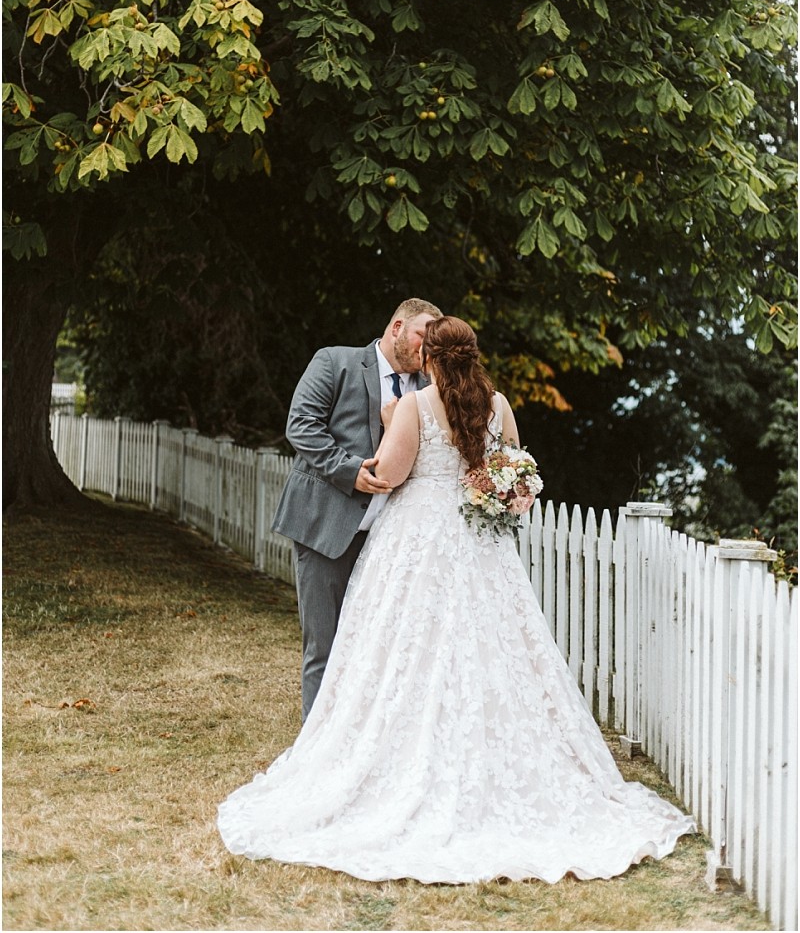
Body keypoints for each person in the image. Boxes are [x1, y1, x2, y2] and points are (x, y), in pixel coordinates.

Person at [219, 316, 695, 884]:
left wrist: (394, 422)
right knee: (486, 651)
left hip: (418, 546)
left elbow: (392, 476)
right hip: (480, 550)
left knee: (399, 650)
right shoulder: (498, 405)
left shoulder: (417, 406)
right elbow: (511, 466)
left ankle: (378, 761)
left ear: (430, 358)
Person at [271, 297, 442, 720]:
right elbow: (301, 426)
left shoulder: (427, 391)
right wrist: (350, 471)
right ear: (398, 327)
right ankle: (315, 744)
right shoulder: (334, 362)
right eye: (424, 335)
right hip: (327, 527)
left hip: (392, 541)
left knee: (376, 650)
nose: (428, 348)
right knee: (324, 646)